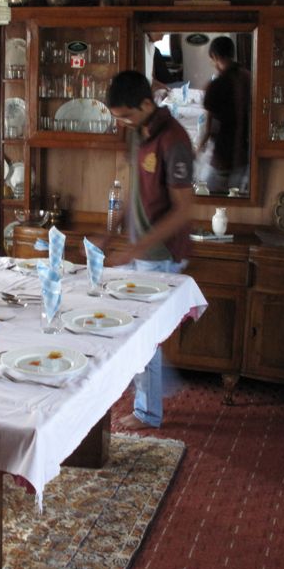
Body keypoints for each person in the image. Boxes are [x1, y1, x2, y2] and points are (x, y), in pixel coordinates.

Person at [104, 70, 194, 430]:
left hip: (163, 255)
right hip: (140, 253)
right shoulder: (138, 134)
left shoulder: (175, 140)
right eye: (117, 118)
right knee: (130, 329)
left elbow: (185, 209)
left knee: (144, 337)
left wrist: (134, 249)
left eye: (126, 115)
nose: (123, 123)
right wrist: (109, 234)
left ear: (146, 104)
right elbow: (134, 191)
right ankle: (162, 388)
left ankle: (148, 412)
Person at [199, 36, 250, 194]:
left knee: (207, 193)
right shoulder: (248, 77)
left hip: (224, 154)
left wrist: (201, 144)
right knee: (238, 196)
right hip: (246, 152)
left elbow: (210, 125)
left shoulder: (216, 85)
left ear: (214, 56)